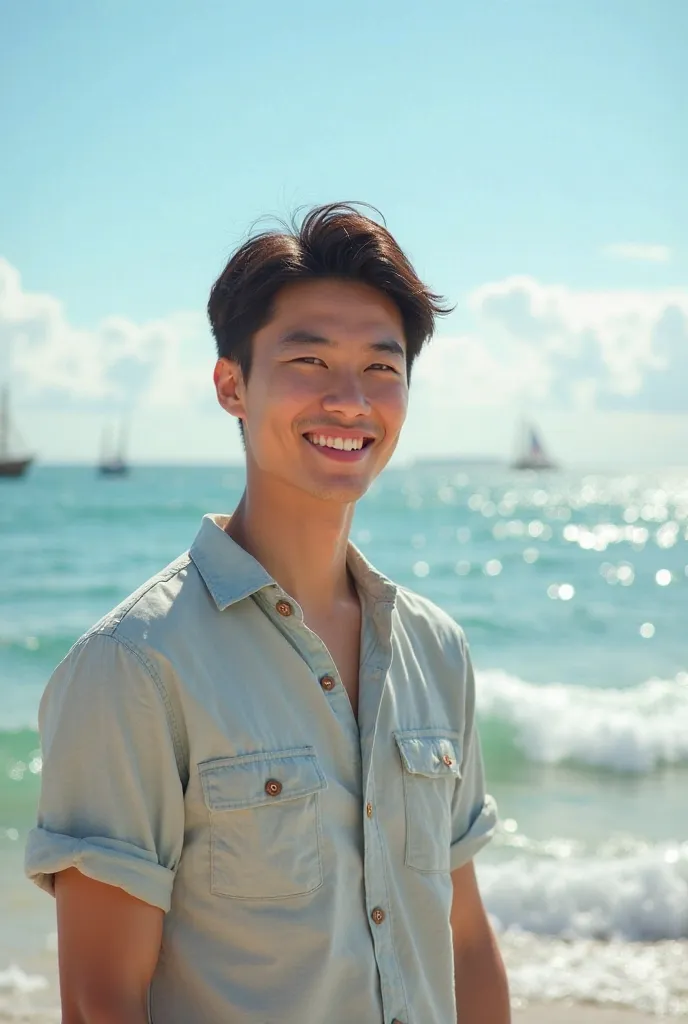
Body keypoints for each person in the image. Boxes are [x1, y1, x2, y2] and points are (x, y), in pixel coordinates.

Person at [25, 203, 510, 1024]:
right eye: (310, 361)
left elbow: (463, 944)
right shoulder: (134, 666)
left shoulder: (435, 649)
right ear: (231, 386)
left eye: (381, 368)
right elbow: (99, 1002)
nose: (350, 401)